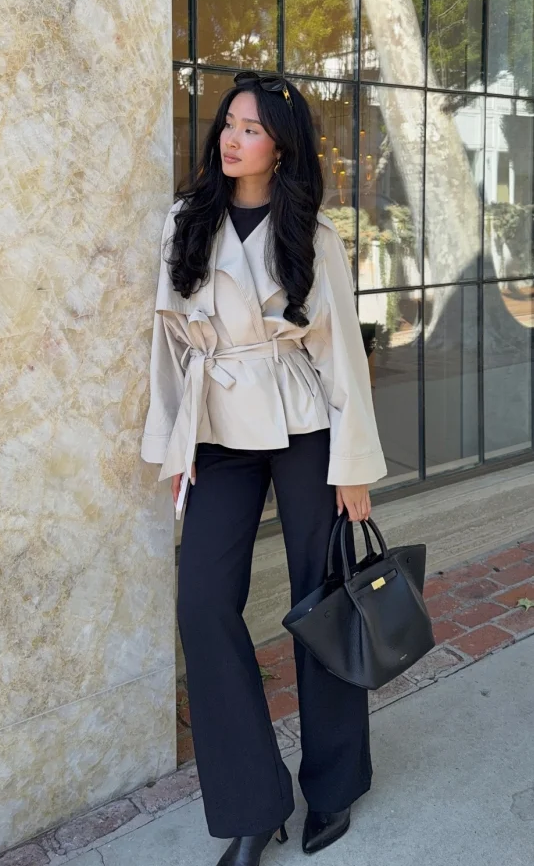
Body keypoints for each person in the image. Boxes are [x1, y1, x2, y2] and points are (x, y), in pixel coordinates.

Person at [141, 71, 387, 866]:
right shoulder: (188, 219)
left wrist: (353, 465)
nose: (232, 137)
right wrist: (175, 445)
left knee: (322, 597)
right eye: (229, 123)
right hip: (217, 423)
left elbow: (342, 353)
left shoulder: (312, 233)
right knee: (203, 603)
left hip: (302, 421)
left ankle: (336, 782)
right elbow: (167, 346)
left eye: (251, 128)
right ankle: (254, 802)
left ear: (280, 146)